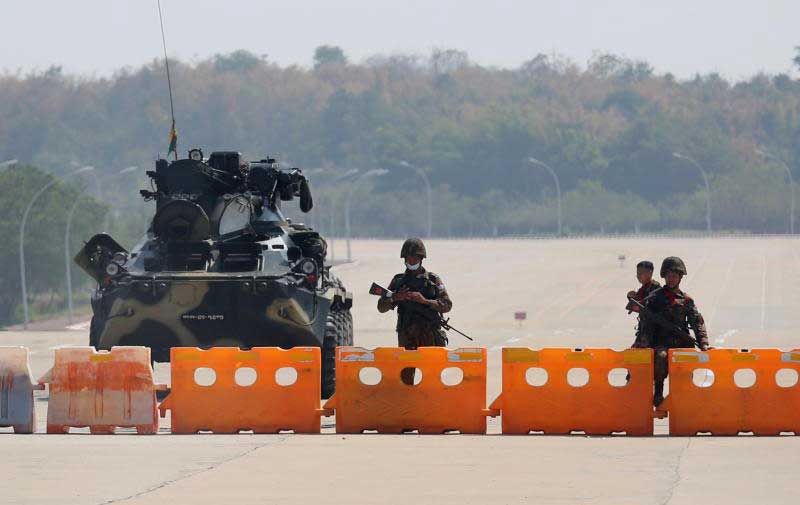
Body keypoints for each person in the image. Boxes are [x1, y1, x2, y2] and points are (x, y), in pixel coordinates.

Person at [635, 256, 709, 407]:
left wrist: (704, 343)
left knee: (687, 362)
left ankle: (687, 394)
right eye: (668, 276)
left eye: (674, 276)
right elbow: (646, 323)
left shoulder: (686, 300)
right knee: (661, 357)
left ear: (680, 277)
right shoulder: (655, 298)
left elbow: (697, 322)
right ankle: (659, 390)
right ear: (664, 276)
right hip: (661, 341)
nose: (671, 279)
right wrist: (644, 342)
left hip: (681, 342)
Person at [377, 238, 453, 384]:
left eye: (415, 258)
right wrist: (395, 297)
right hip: (407, 336)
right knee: (405, 379)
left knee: (432, 379)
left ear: (421, 259)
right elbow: (381, 307)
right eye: (408, 258)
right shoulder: (398, 281)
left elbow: (447, 305)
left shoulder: (433, 280)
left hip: (429, 334)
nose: (411, 261)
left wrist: (425, 301)